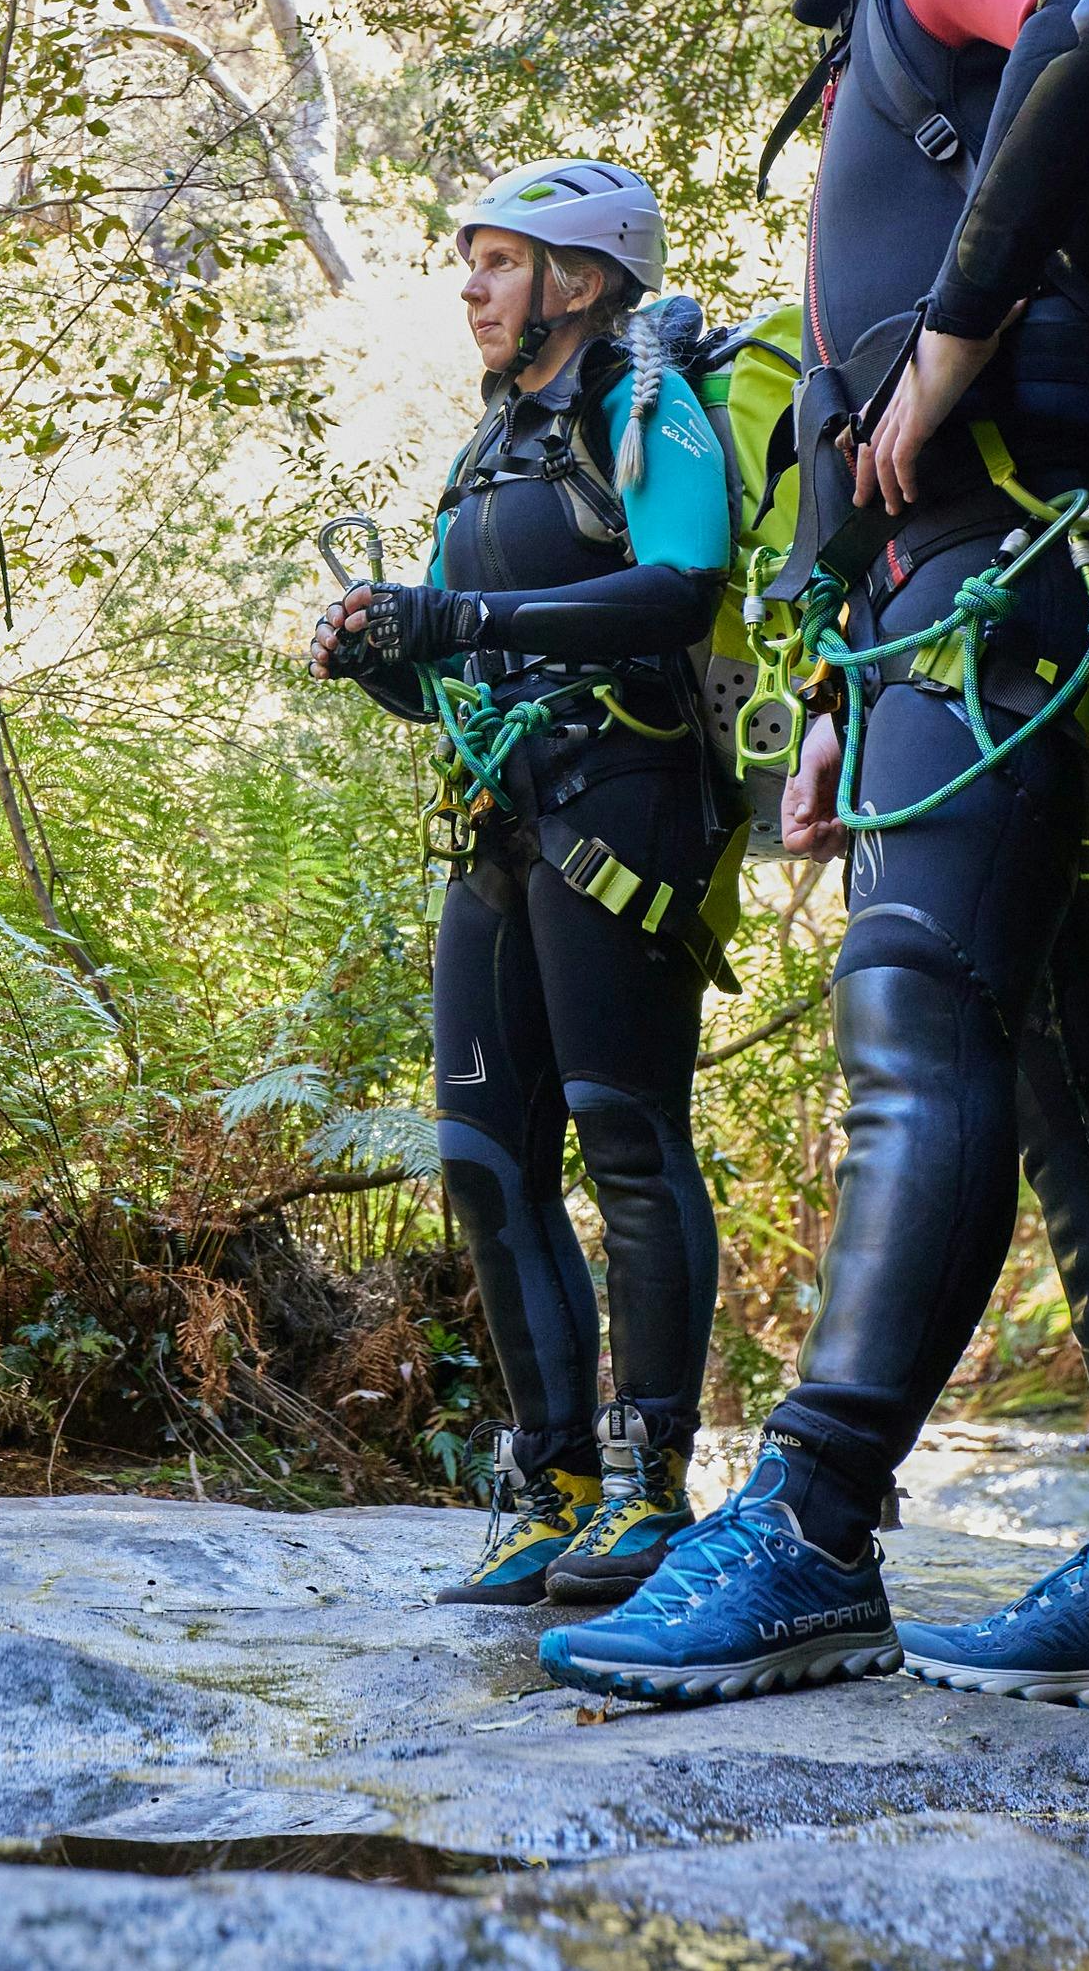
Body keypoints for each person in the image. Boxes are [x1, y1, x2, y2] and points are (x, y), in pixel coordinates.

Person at [543, 0, 1089, 1714]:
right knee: (1072, 1077)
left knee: (917, 1014)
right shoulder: (875, 21)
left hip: (1020, 577)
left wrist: (952, 335)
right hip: (966, 601)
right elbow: (856, 420)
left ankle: (809, 1526)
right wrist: (846, 672)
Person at [311, 161, 733, 1608]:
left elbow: (680, 586)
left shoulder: (645, 405)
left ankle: (649, 1482)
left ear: (582, 277)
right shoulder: (487, 452)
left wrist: (465, 611)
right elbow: (452, 670)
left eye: (499, 262)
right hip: (496, 821)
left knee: (624, 1137)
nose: (474, 290)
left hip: (623, 806)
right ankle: (548, 1482)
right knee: (489, 1162)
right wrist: (390, 658)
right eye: (472, 264)